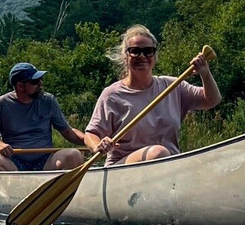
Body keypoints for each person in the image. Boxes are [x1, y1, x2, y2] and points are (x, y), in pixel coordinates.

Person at [84, 25, 220, 166]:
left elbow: (212, 100)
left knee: (163, 155)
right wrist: (97, 145)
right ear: (125, 57)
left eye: (148, 51)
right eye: (135, 51)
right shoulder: (112, 95)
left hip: (170, 167)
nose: (142, 56)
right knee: (158, 153)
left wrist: (205, 74)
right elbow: (91, 134)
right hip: (122, 170)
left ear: (155, 56)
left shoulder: (173, 86)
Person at [0, 62, 86, 171]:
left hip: (46, 161)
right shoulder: (1, 104)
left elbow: (67, 131)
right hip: (12, 161)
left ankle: (54, 182)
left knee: (74, 155)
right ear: (20, 86)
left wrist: (91, 142)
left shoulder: (48, 101)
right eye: (35, 81)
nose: (40, 84)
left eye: (40, 79)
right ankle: (14, 181)